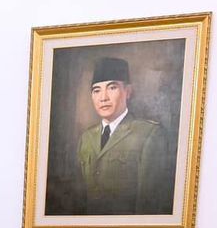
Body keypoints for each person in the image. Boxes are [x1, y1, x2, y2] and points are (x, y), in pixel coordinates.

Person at [75, 56, 177, 215]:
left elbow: (149, 204)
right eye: (96, 90)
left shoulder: (149, 134)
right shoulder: (86, 138)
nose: (103, 98)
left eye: (112, 88)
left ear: (128, 92)